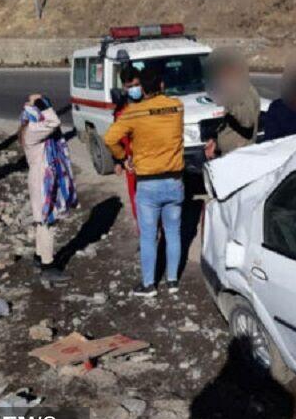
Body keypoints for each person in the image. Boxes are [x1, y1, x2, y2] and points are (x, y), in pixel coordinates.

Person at [104, 67, 185, 297]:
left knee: (149, 237)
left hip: (148, 183)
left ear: (142, 88)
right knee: (173, 233)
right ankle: (172, 282)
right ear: (161, 85)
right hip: (175, 181)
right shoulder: (177, 106)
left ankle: (149, 285)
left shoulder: (132, 113)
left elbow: (109, 138)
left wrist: (122, 157)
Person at [19, 94, 78, 284]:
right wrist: (42, 103)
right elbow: (54, 120)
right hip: (43, 179)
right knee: (47, 222)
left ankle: (39, 256)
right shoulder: (32, 129)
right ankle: (48, 266)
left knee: (42, 221)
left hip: (44, 176)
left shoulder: (31, 127)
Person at [204, 47, 260, 160]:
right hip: (229, 153)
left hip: (239, 155)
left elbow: (246, 123)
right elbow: (230, 123)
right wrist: (216, 141)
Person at [114, 66, 143, 231]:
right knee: (136, 200)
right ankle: (145, 236)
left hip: (151, 160)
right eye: (129, 86)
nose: (134, 90)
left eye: (136, 85)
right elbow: (115, 137)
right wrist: (119, 160)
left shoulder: (149, 103)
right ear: (124, 87)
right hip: (131, 163)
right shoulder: (121, 109)